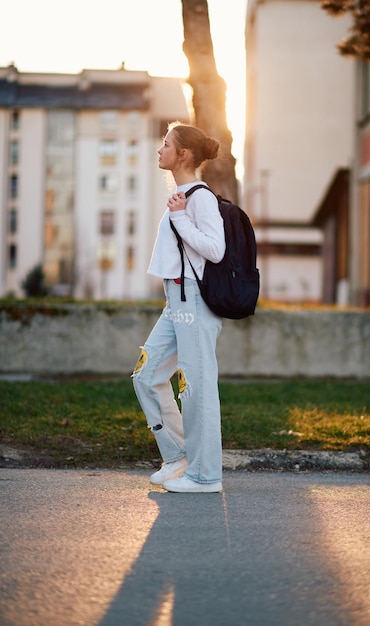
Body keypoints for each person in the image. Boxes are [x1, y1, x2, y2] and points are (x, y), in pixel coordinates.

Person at [132, 122, 226, 493]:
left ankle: (206, 476)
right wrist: (177, 215)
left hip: (195, 301)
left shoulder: (199, 197)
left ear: (183, 154)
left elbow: (215, 250)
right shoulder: (183, 194)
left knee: (196, 386)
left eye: (166, 143)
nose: (160, 149)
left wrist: (179, 218)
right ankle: (178, 457)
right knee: (147, 374)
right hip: (176, 301)